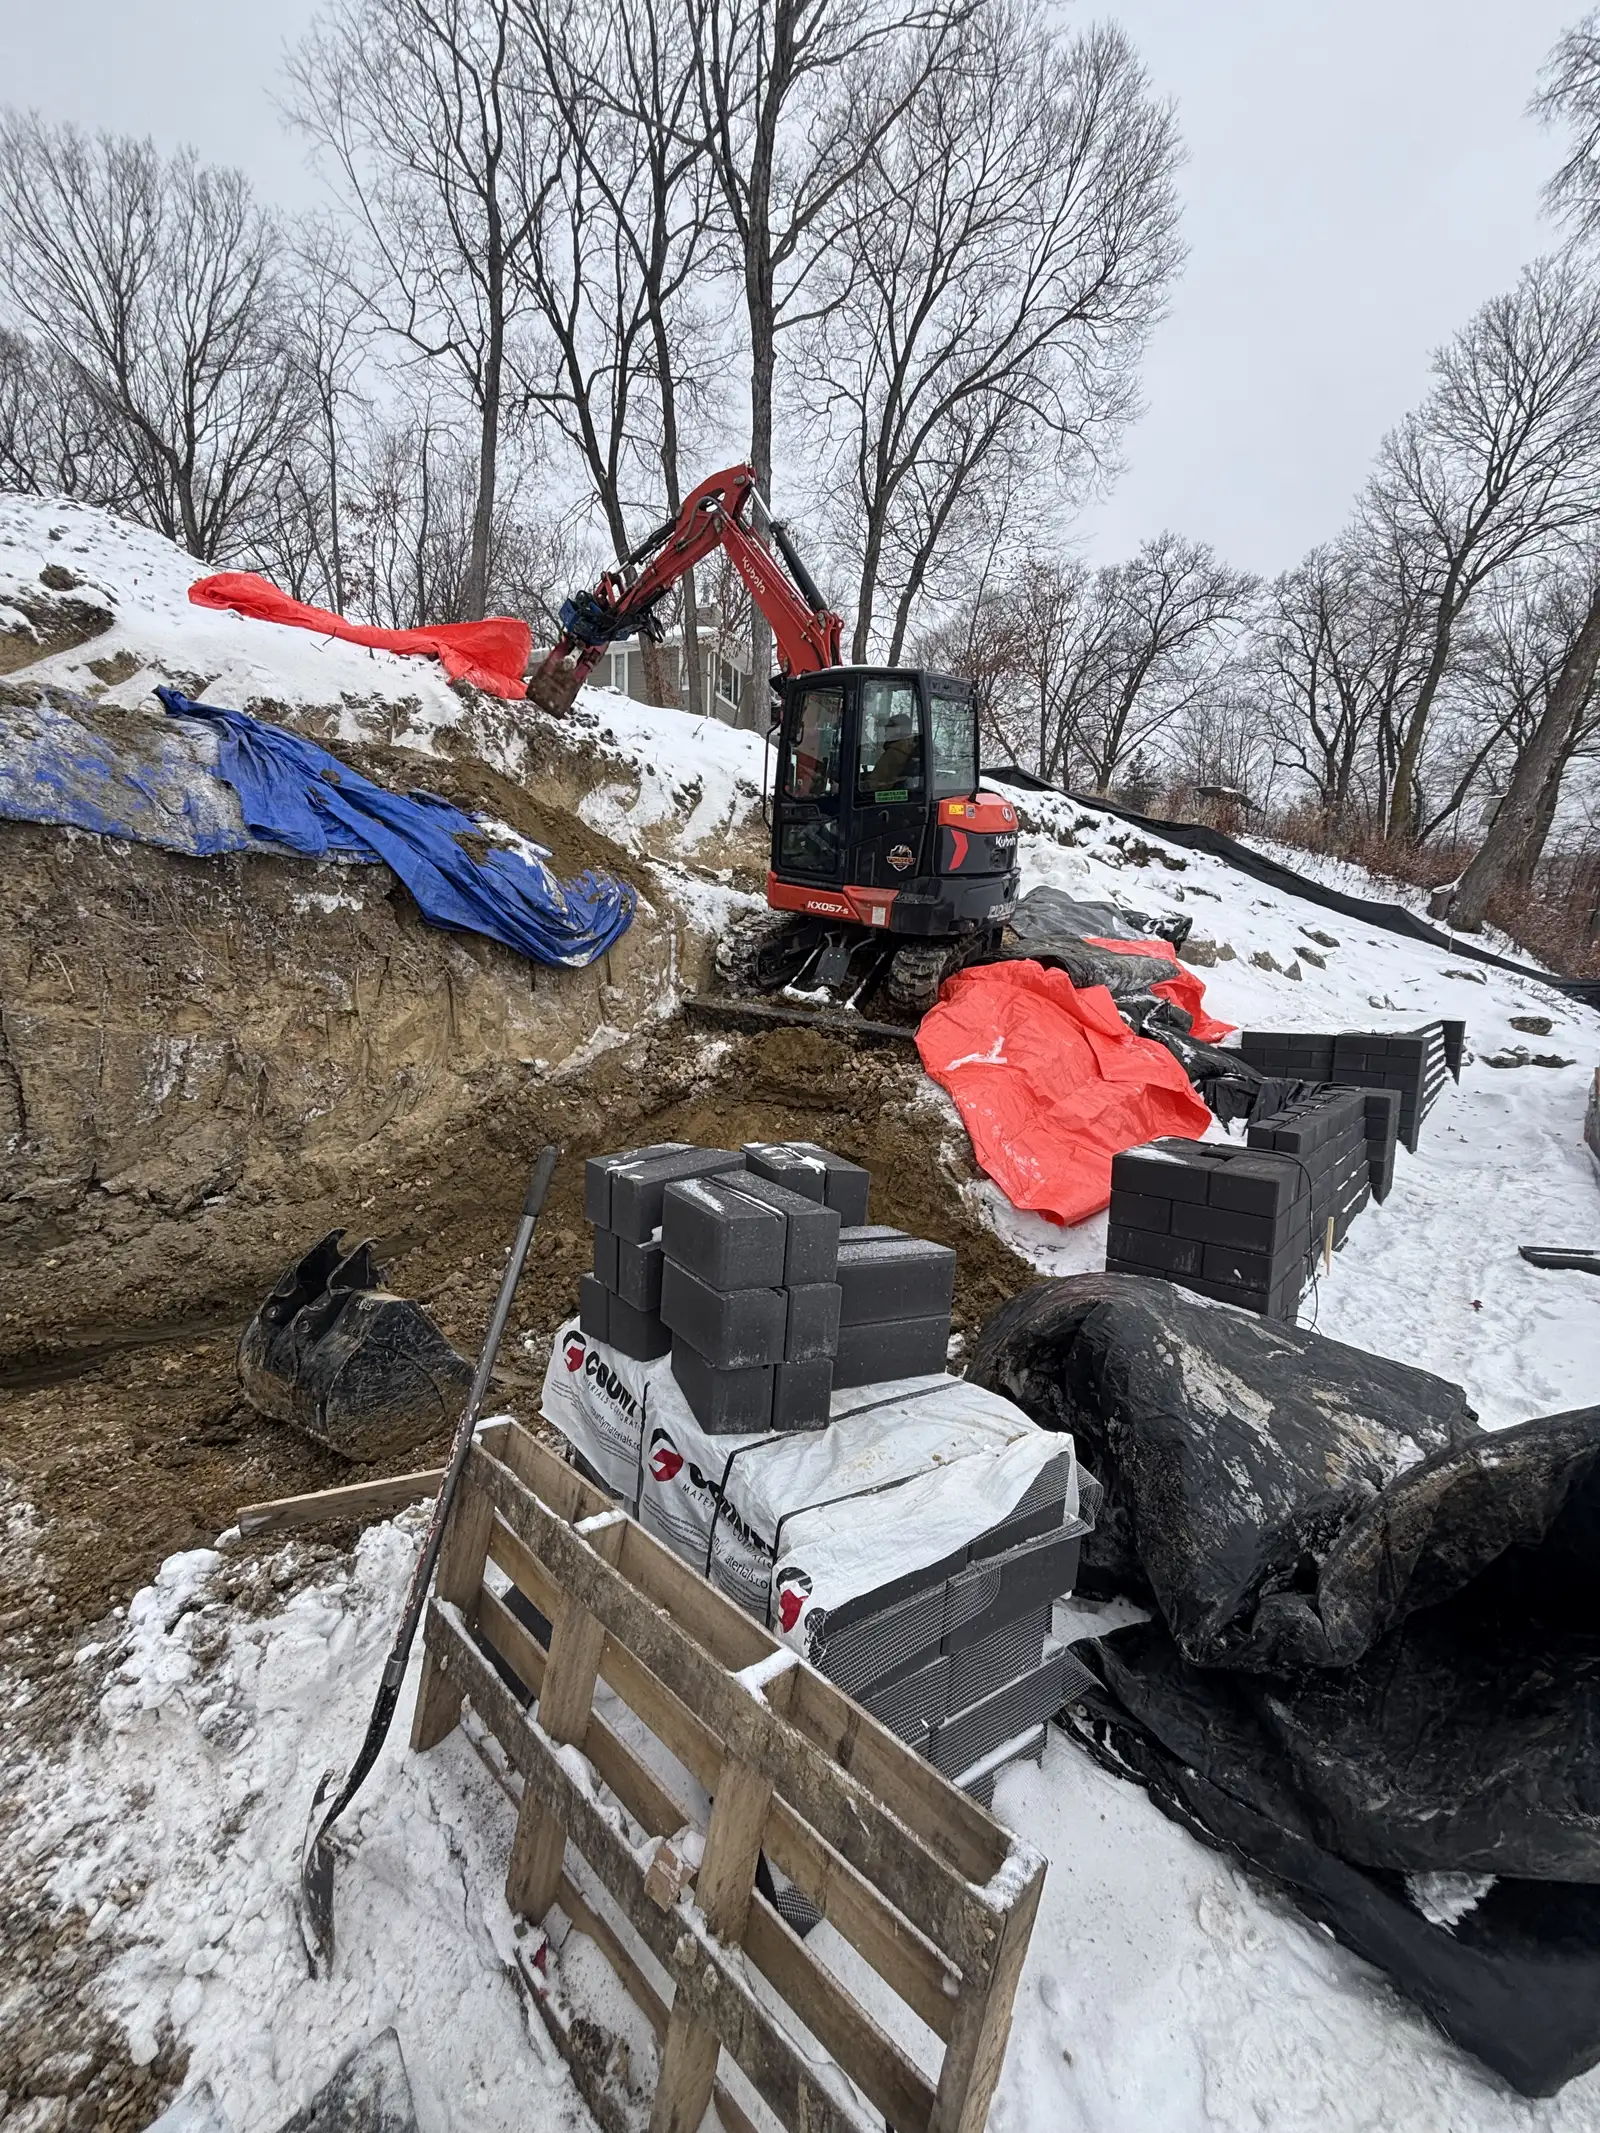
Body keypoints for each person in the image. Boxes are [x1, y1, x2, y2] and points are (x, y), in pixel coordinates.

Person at [868, 710, 918, 790]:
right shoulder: (908, 750)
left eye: (888, 727)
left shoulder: (894, 753)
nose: (885, 730)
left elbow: (875, 783)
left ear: (898, 729)